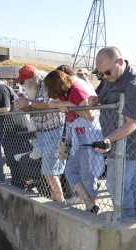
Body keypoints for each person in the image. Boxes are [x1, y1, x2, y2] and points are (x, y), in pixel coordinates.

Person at [91, 46, 136, 218]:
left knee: (117, 185)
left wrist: (108, 139)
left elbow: (132, 123)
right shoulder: (111, 75)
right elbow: (103, 93)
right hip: (115, 139)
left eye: (106, 72)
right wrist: (96, 99)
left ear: (120, 62)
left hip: (129, 144)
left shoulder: (134, 84)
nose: (104, 77)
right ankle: (135, 220)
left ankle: (126, 222)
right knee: (129, 185)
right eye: (99, 74)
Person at [43, 70, 102, 212]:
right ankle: (88, 202)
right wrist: (58, 104)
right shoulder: (66, 92)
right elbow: (51, 103)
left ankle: (92, 206)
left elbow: (90, 115)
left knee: (88, 172)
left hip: (87, 134)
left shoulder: (75, 90)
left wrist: (70, 106)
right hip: (76, 134)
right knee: (70, 170)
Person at [17, 64, 66, 202]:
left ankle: (61, 200)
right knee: (50, 169)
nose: (22, 84)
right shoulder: (32, 87)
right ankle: (55, 197)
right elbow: (35, 108)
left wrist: (28, 103)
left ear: (32, 78)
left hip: (55, 130)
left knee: (49, 170)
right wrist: (24, 107)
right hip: (42, 131)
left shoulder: (47, 81)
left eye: (23, 81)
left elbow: (49, 104)